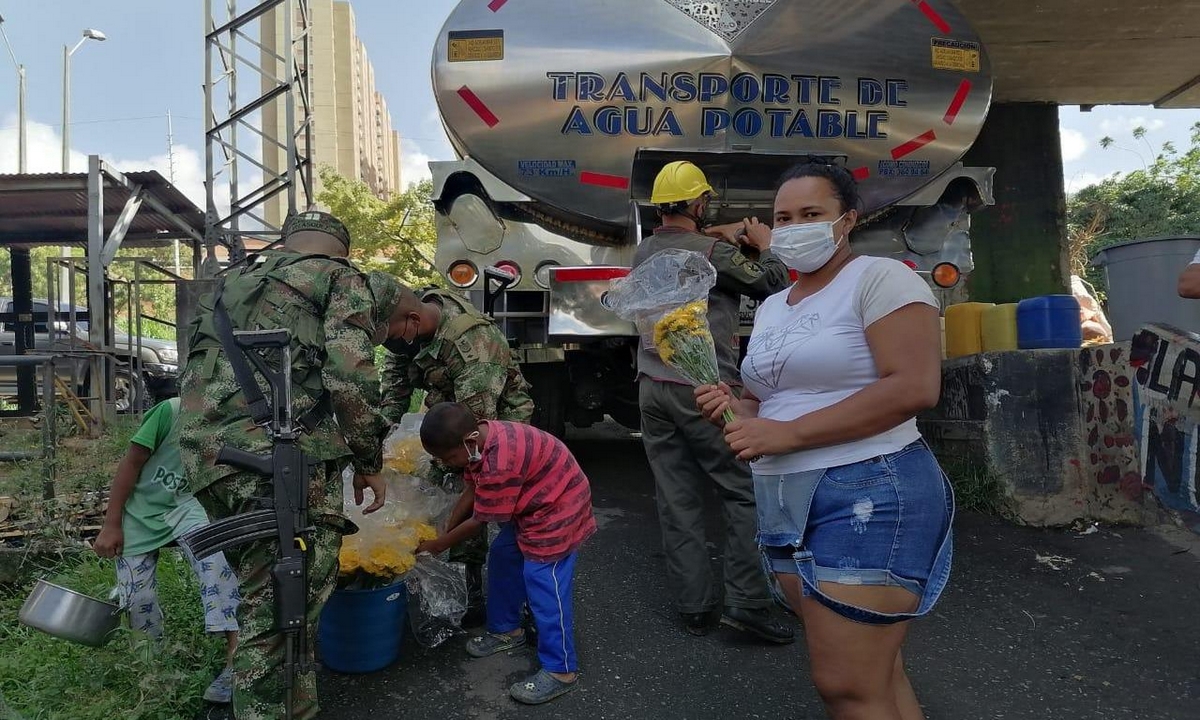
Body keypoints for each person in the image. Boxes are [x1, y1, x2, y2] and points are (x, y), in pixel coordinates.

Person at [695, 161, 954, 720]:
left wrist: (786, 434)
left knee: (846, 684)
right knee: (875, 674)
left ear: (848, 219)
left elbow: (914, 386)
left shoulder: (882, 279)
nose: (794, 228)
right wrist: (732, 408)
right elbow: (767, 402)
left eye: (811, 214)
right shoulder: (772, 306)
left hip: (868, 488)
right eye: (783, 218)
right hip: (786, 499)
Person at [179, 210, 412, 720]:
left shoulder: (228, 284)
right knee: (278, 617)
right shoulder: (337, 277)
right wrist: (369, 459)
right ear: (341, 251)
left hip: (210, 458)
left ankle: (296, 708)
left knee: (282, 606)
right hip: (274, 462)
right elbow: (351, 378)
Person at [635, 160, 794, 642]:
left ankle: (695, 608)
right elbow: (772, 282)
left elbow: (688, 246)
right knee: (742, 491)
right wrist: (766, 244)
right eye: (705, 200)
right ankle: (747, 603)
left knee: (676, 496)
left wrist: (718, 236)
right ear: (698, 203)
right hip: (704, 390)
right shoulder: (712, 252)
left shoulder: (644, 249)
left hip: (651, 386)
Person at [415, 402, 595, 706]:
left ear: (469, 440)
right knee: (503, 556)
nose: (447, 464)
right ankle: (507, 630)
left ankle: (561, 669)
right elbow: (473, 491)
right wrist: (446, 527)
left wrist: (438, 545)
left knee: (543, 580)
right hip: (531, 504)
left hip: (558, 508)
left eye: (448, 458)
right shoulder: (478, 445)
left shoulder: (501, 460)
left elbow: (479, 520)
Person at [379, 285, 535, 625]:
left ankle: (474, 589)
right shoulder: (403, 326)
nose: (392, 346)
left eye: (392, 337)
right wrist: (382, 441)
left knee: (476, 493)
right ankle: (450, 573)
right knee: (427, 487)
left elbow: (474, 444)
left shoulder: (472, 345)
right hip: (451, 415)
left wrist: (436, 469)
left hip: (495, 424)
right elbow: (395, 388)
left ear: (414, 320)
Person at [93, 396, 239, 706]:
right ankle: (152, 672)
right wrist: (112, 523)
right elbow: (131, 463)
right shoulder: (170, 412)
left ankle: (234, 663)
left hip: (186, 506)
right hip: (140, 510)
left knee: (217, 565)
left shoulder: (234, 420)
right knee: (137, 598)